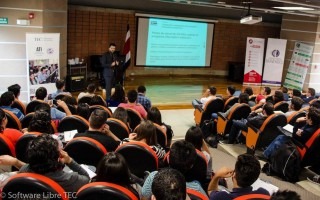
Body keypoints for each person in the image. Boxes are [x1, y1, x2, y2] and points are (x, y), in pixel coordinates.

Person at [19, 134, 90, 193]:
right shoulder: (70, 180)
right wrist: (70, 161)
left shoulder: (23, 171)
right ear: (57, 157)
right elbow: (87, 178)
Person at [142, 140, 207, 199]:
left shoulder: (153, 177)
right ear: (191, 166)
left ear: (168, 159)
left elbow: (144, 197)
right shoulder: (197, 188)